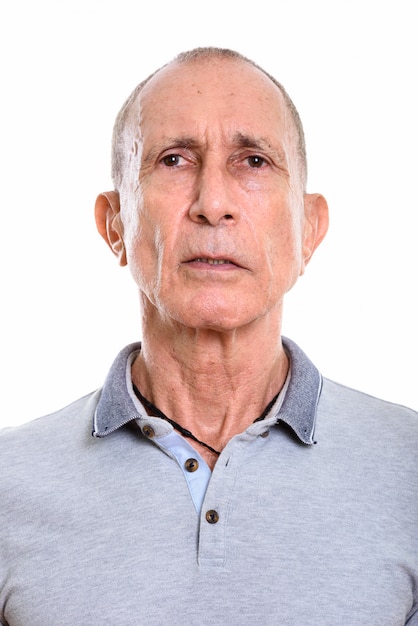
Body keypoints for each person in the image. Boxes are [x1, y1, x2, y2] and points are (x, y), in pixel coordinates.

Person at [0, 47, 417, 626]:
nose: (213, 204)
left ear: (310, 230)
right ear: (114, 224)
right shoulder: (7, 482)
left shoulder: (410, 470)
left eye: (253, 161)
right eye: (174, 160)